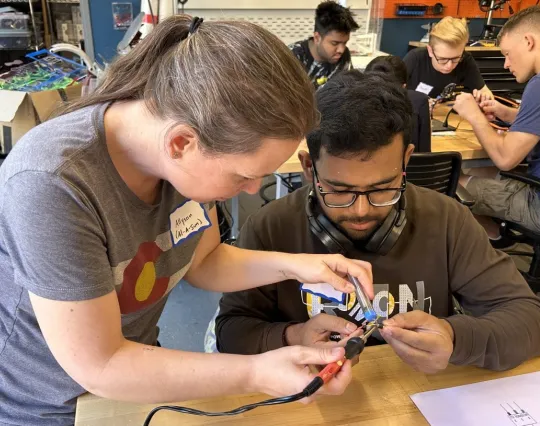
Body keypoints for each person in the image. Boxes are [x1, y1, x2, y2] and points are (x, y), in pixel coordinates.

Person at [0, 16, 375, 426]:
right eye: (243, 175)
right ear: (181, 142)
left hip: (138, 371)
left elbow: (203, 259)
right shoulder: (51, 183)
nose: (253, 190)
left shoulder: (184, 159)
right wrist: (255, 372)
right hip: (48, 405)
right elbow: (102, 364)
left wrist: (296, 265)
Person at [214, 71, 540, 374]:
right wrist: (292, 337)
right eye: (338, 190)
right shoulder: (270, 227)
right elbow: (231, 332)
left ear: (406, 160)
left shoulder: (446, 218)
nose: (361, 210)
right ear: (308, 168)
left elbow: (533, 322)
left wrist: (456, 338)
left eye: (382, 188)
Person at [453, 6, 540, 242]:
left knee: (451, 182)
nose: (506, 64)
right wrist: (507, 113)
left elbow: (505, 159)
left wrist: (473, 115)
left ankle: (492, 241)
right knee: (484, 172)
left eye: (507, 53)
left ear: (528, 41)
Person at [403, 16, 493, 100]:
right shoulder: (414, 59)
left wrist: (484, 98)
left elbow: (485, 92)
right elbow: (392, 93)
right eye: (442, 59)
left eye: (455, 59)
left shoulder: (466, 60)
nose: (449, 66)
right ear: (430, 51)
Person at [365, 55, 431, 152]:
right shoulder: (418, 101)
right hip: (409, 165)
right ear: (404, 87)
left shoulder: (350, 105)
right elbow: (425, 153)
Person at [289, 1, 359, 89]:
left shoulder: (344, 56)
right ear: (317, 38)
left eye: (344, 43)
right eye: (335, 43)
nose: (341, 50)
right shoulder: (292, 57)